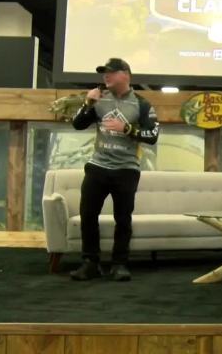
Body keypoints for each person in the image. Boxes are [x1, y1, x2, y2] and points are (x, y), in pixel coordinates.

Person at [70, 58, 159, 281]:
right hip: (97, 167)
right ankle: (90, 262)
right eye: (104, 73)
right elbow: (77, 124)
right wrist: (88, 104)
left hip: (126, 169)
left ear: (125, 74)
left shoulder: (142, 104)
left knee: (123, 219)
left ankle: (119, 264)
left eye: (110, 72)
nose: (106, 76)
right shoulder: (99, 99)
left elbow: (152, 135)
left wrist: (126, 128)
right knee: (88, 215)